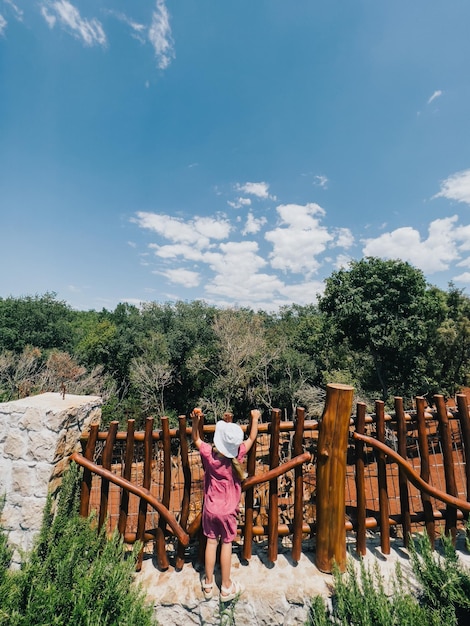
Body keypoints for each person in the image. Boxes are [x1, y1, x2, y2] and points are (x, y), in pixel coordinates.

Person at [191, 408, 260, 602]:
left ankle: (208, 583)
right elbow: (252, 438)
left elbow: (195, 437)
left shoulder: (209, 455)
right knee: (226, 544)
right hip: (228, 510)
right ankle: (226, 587)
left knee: (211, 543)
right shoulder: (238, 455)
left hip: (211, 508)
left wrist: (196, 421)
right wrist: (254, 418)